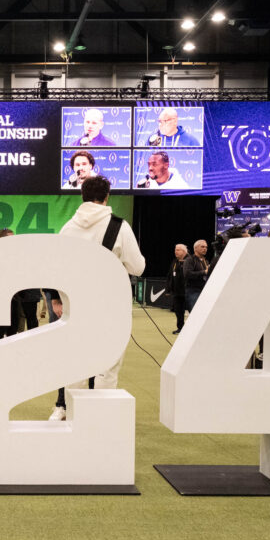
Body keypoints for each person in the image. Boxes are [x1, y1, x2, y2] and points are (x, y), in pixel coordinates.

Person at [49, 176, 145, 420]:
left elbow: (55, 268)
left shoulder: (68, 228)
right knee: (107, 368)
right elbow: (138, 267)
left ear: (81, 195)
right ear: (107, 196)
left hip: (76, 307)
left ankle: (71, 416)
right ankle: (100, 419)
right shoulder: (119, 227)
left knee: (75, 364)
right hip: (110, 308)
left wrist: (58, 299)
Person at [166, 243, 188, 333]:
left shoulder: (189, 260)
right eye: (175, 250)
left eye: (178, 250)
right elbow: (170, 276)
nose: (175, 252)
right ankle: (180, 328)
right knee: (178, 311)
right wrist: (168, 289)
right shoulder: (174, 261)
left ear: (183, 251)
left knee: (191, 311)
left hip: (188, 291)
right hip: (177, 292)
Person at [183, 239, 210, 311]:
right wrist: (204, 272)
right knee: (195, 313)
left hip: (204, 290)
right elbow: (187, 274)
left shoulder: (206, 261)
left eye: (206, 247)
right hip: (193, 291)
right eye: (202, 247)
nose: (205, 249)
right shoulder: (190, 260)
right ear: (195, 248)